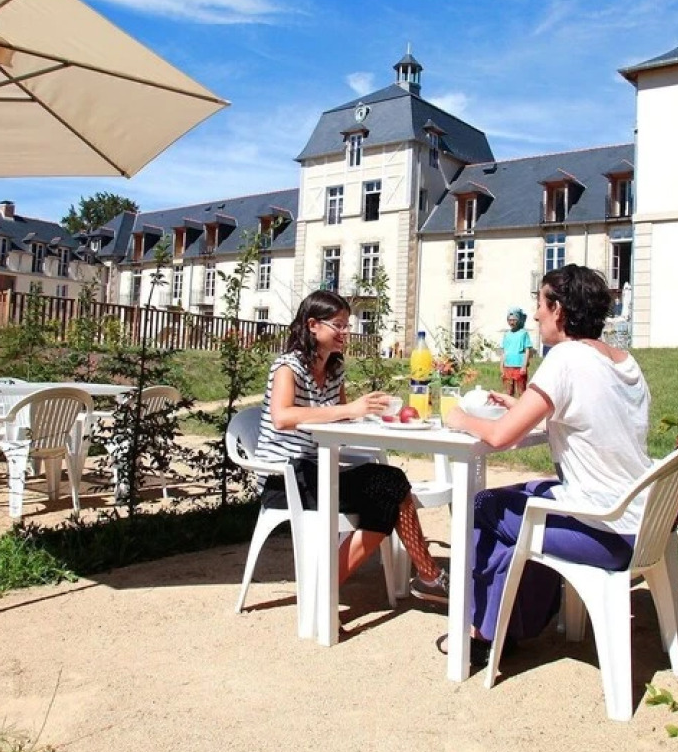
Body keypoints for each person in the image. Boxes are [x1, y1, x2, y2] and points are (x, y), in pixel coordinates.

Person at [443, 265, 651, 664]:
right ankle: (509, 622)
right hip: (641, 519)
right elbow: (591, 410)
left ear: (559, 309)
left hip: (605, 531)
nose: (535, 313)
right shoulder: (625, 361)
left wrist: (459, 418)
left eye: (540, 303)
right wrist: (521, 406)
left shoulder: (566, 357)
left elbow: (503, 437)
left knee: (482, 507)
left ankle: (479, 629)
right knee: (524, 497)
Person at [256, 289, 448, 601]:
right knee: (389, 486)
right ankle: (427, 576)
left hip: (320, 469)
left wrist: (378, 414)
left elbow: (344, 423)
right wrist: (349, 411)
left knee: (389, 486)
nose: (347, 332)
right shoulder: (286, 367)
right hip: (285, 477)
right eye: (340, 325)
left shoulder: (334, 369)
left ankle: (326, 587)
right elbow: (282, 417)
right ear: (313, 325)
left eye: (348, 325)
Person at [498, 306, 534, 397]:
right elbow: (504, 351)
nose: (512, 322)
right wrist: (501, 366)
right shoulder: (507, 335)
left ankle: (522, 409)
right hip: (508, 365)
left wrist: (524, 365)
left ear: (518, 320)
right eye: (510, 320)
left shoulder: (523, 333)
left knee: (521, 391)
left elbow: (527, 350)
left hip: (519, 365)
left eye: (514, 320)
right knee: (508, 391)